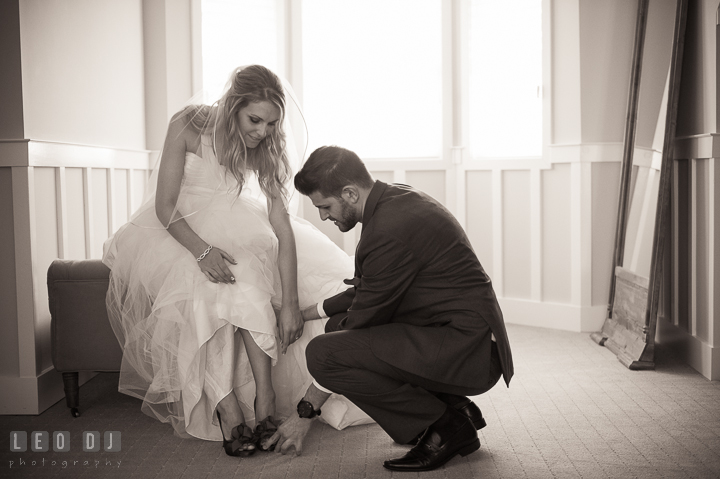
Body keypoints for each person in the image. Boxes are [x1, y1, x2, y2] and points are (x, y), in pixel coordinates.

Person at [102, 66, 369, 457]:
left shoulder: (267, 148)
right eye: (254, 120)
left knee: (246, 273)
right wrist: (201, 251)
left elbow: (282, 228)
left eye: (271, 122)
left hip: (240, 228)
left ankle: (265, 397)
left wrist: (292, 303)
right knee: (207, 284)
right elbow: (165, 205)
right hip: (178, 230)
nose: (262, 131)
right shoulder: (188, 124)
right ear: (232, 106)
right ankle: (228, 408)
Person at [266, 146, 514, 472]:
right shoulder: (395, 200)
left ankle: (445, 425)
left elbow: (358, 324)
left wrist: (305, 412)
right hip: (458, 333)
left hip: (470, 351)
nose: (324, 217)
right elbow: (367, 290)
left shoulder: (387, 230)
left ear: (350, 193)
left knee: (325, 354)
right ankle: (453, 407)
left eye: (324, 207)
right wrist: (303, 312)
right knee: (335, 328)